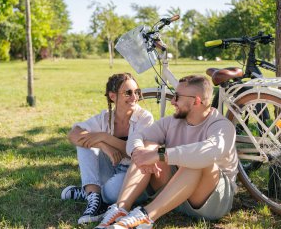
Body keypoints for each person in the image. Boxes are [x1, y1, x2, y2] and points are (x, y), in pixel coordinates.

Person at [96, 75, 238, 229]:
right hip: (175, 194)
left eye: (177, 97)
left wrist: (161, 155)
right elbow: (139, 136)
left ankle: (146, 216)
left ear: (196, 101)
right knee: (148, 146)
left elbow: (210, 153)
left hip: (211, 201)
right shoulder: (173, 121)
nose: (172, 101)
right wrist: (139, 151)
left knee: (197, 161)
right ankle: (121, 208)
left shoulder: (222, 126)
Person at [61, 73, 154, 224]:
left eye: (137, 92)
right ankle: (95, 199)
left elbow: (135, 151)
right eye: (128, 92)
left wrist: (105, 137)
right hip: (111, 166)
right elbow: (73, 134)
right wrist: (102, 145)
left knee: (113, 195)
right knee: (84, 144)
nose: (134, 97)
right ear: (113, 96)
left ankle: (90, 192)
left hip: (133, 173)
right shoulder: (105, 117)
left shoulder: (145, 117)